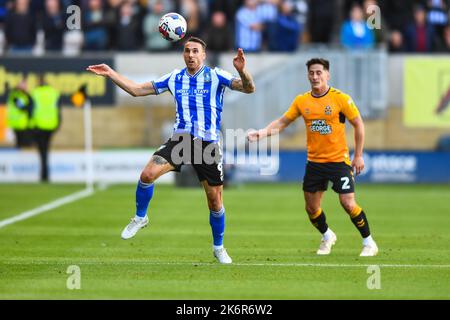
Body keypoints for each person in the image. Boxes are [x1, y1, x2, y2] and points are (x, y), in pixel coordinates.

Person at [86, 37, 255, 264]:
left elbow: (249, 88)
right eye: (187, 51)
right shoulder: (174, 77)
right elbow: (137, 90)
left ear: (203, 55)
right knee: (147, 174)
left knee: (215, 202)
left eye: (195, 51)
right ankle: (140, 217)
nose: (191, 55)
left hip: (208, 145)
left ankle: (218, 247)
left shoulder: (216, 76)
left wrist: (243, 71)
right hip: (181, 141)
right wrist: (111, 73)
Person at [247, 58, 378, 257]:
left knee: (348, 203)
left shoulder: (341, 99)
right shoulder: (302, 101)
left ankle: (369, 242)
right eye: (311, 73)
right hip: (315, 163)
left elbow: (358, 124)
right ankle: (327, 236)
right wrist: (263, 132)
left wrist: (358, 156)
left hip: (339, 161)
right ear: (308, 75)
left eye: (319, 72)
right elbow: (283, 122)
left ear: (327, 75)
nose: (315, 76)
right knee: (311, 208)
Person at [30, 76, 61, 182]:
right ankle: (45, 174)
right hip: (51, 125)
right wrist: (57, 124)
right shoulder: (54, 93)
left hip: (39, 125)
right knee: (46, 149)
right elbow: (58, 109)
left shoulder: (35, 93)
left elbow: (31, 109)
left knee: (42, 150)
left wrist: (31, 125)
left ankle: (44, 175)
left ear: (38, 81)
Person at [6, 80, 33, 148]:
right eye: (23, 86)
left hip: (23, 123)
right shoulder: (15, 95)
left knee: (24, 144)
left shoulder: (24, 95)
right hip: (17, 123)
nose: (25, 87)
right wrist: (28, 107)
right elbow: (21, 106)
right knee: (19, 144)